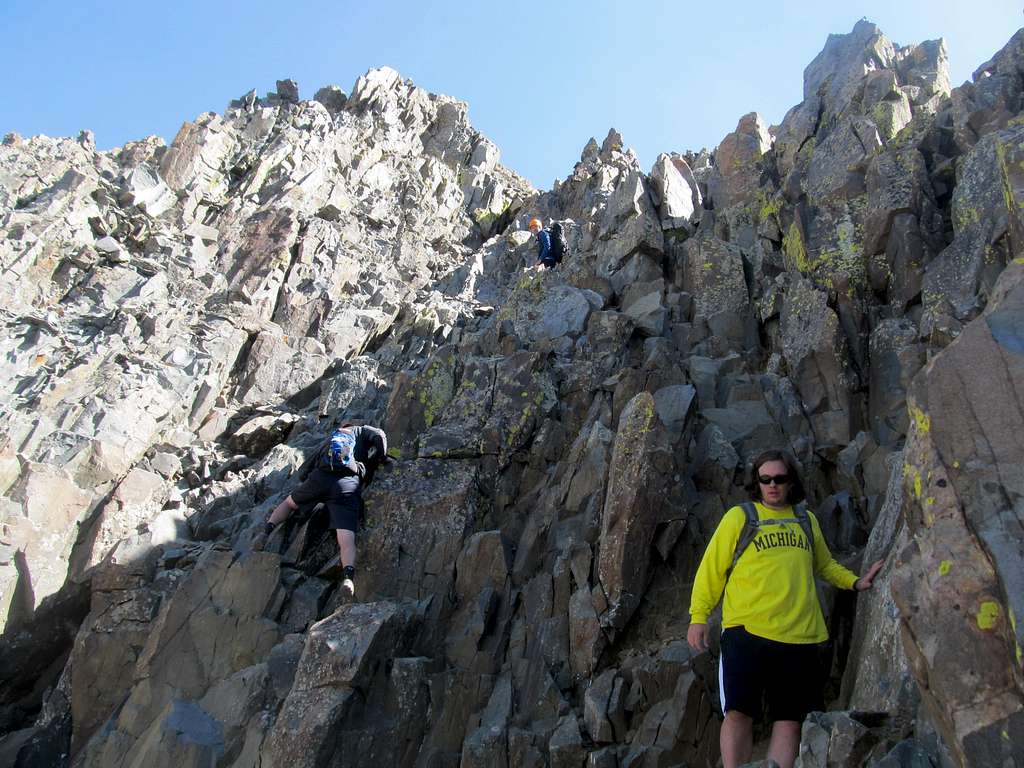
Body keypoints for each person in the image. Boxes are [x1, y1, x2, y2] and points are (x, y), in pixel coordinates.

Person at [687, 449, 883, 768]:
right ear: (757, 482)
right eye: (766, 479)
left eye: (780, 478)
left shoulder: (805, 521)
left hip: (800, 638)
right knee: (738, 712)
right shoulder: (741, 518)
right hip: (746, 633)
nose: (773, 485)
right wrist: (698, 617)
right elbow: (711, 570)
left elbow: (826, 565)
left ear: (791, 481)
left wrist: (856, 582)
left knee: (790, 718)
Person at [254, 423, 390, 598]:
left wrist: (306, 483)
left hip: (319, 479)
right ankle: (348, 577)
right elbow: (380, 436)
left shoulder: (332, 438)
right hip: (346, 485)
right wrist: (380, 458)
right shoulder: (362, 430)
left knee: (288, 504)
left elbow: (307, 466)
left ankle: (266, 532)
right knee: (347, 539)